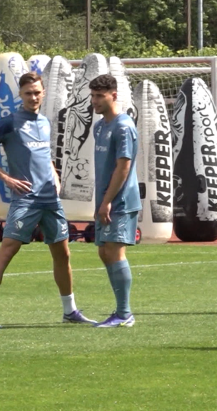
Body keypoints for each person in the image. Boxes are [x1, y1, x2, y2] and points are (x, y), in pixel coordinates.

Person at [0, 72, 94, 329]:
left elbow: (44, 154)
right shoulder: (10, 122)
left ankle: (69, 310)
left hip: (50, 200)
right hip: (25, 200)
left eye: (37, 92)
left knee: (63, 254)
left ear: (44, 93)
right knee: (7, 250)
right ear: (20, 94)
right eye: (28, 93)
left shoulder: (45, 122)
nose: (33, 97)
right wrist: (5, 177)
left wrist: (55, 174)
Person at [90, 74, 140, 328]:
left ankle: (124, 313)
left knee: (114, 250)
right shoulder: (99, 127)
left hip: (120, 201)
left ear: (114, 95)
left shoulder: (123, 126)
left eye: (100, 96)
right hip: (105, 200)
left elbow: (123, 167)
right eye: (93, 95)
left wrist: (107, 201)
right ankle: (121, 312)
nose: (95, 101)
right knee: (103, 251)